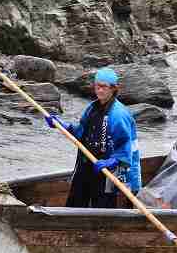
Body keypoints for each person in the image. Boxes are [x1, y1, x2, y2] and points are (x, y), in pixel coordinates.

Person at [45, 67, 140, 208]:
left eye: (104, 87)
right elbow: (81, 132)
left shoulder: (118, 115)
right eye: (97, 86)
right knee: (76, 199)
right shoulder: (92, 108)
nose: (100, 90)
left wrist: (113, 161)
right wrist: (63, 126)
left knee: (104, 206)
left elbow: (125, 147)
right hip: (88, 161)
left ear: (113, 89)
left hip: (111, 170)